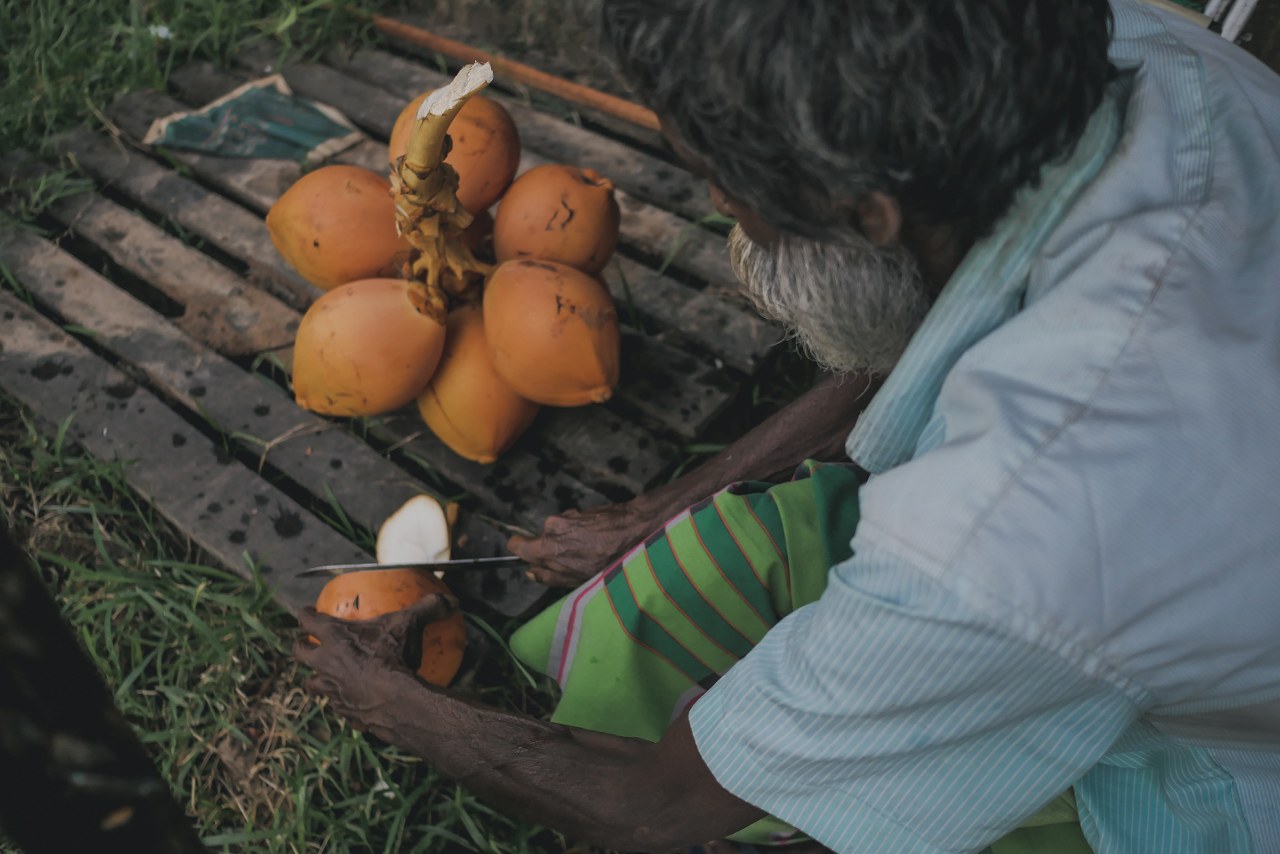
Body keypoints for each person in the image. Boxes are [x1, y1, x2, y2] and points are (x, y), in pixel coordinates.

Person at [295, 0, 1280, 850]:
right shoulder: (1143, 51)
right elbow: (927, 331)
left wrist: (383, 698)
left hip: (1207, 779)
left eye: (725, 178)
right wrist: (664, 507)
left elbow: (655, 802)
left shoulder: (1006, 540)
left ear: (866, 209)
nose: (718, 204)